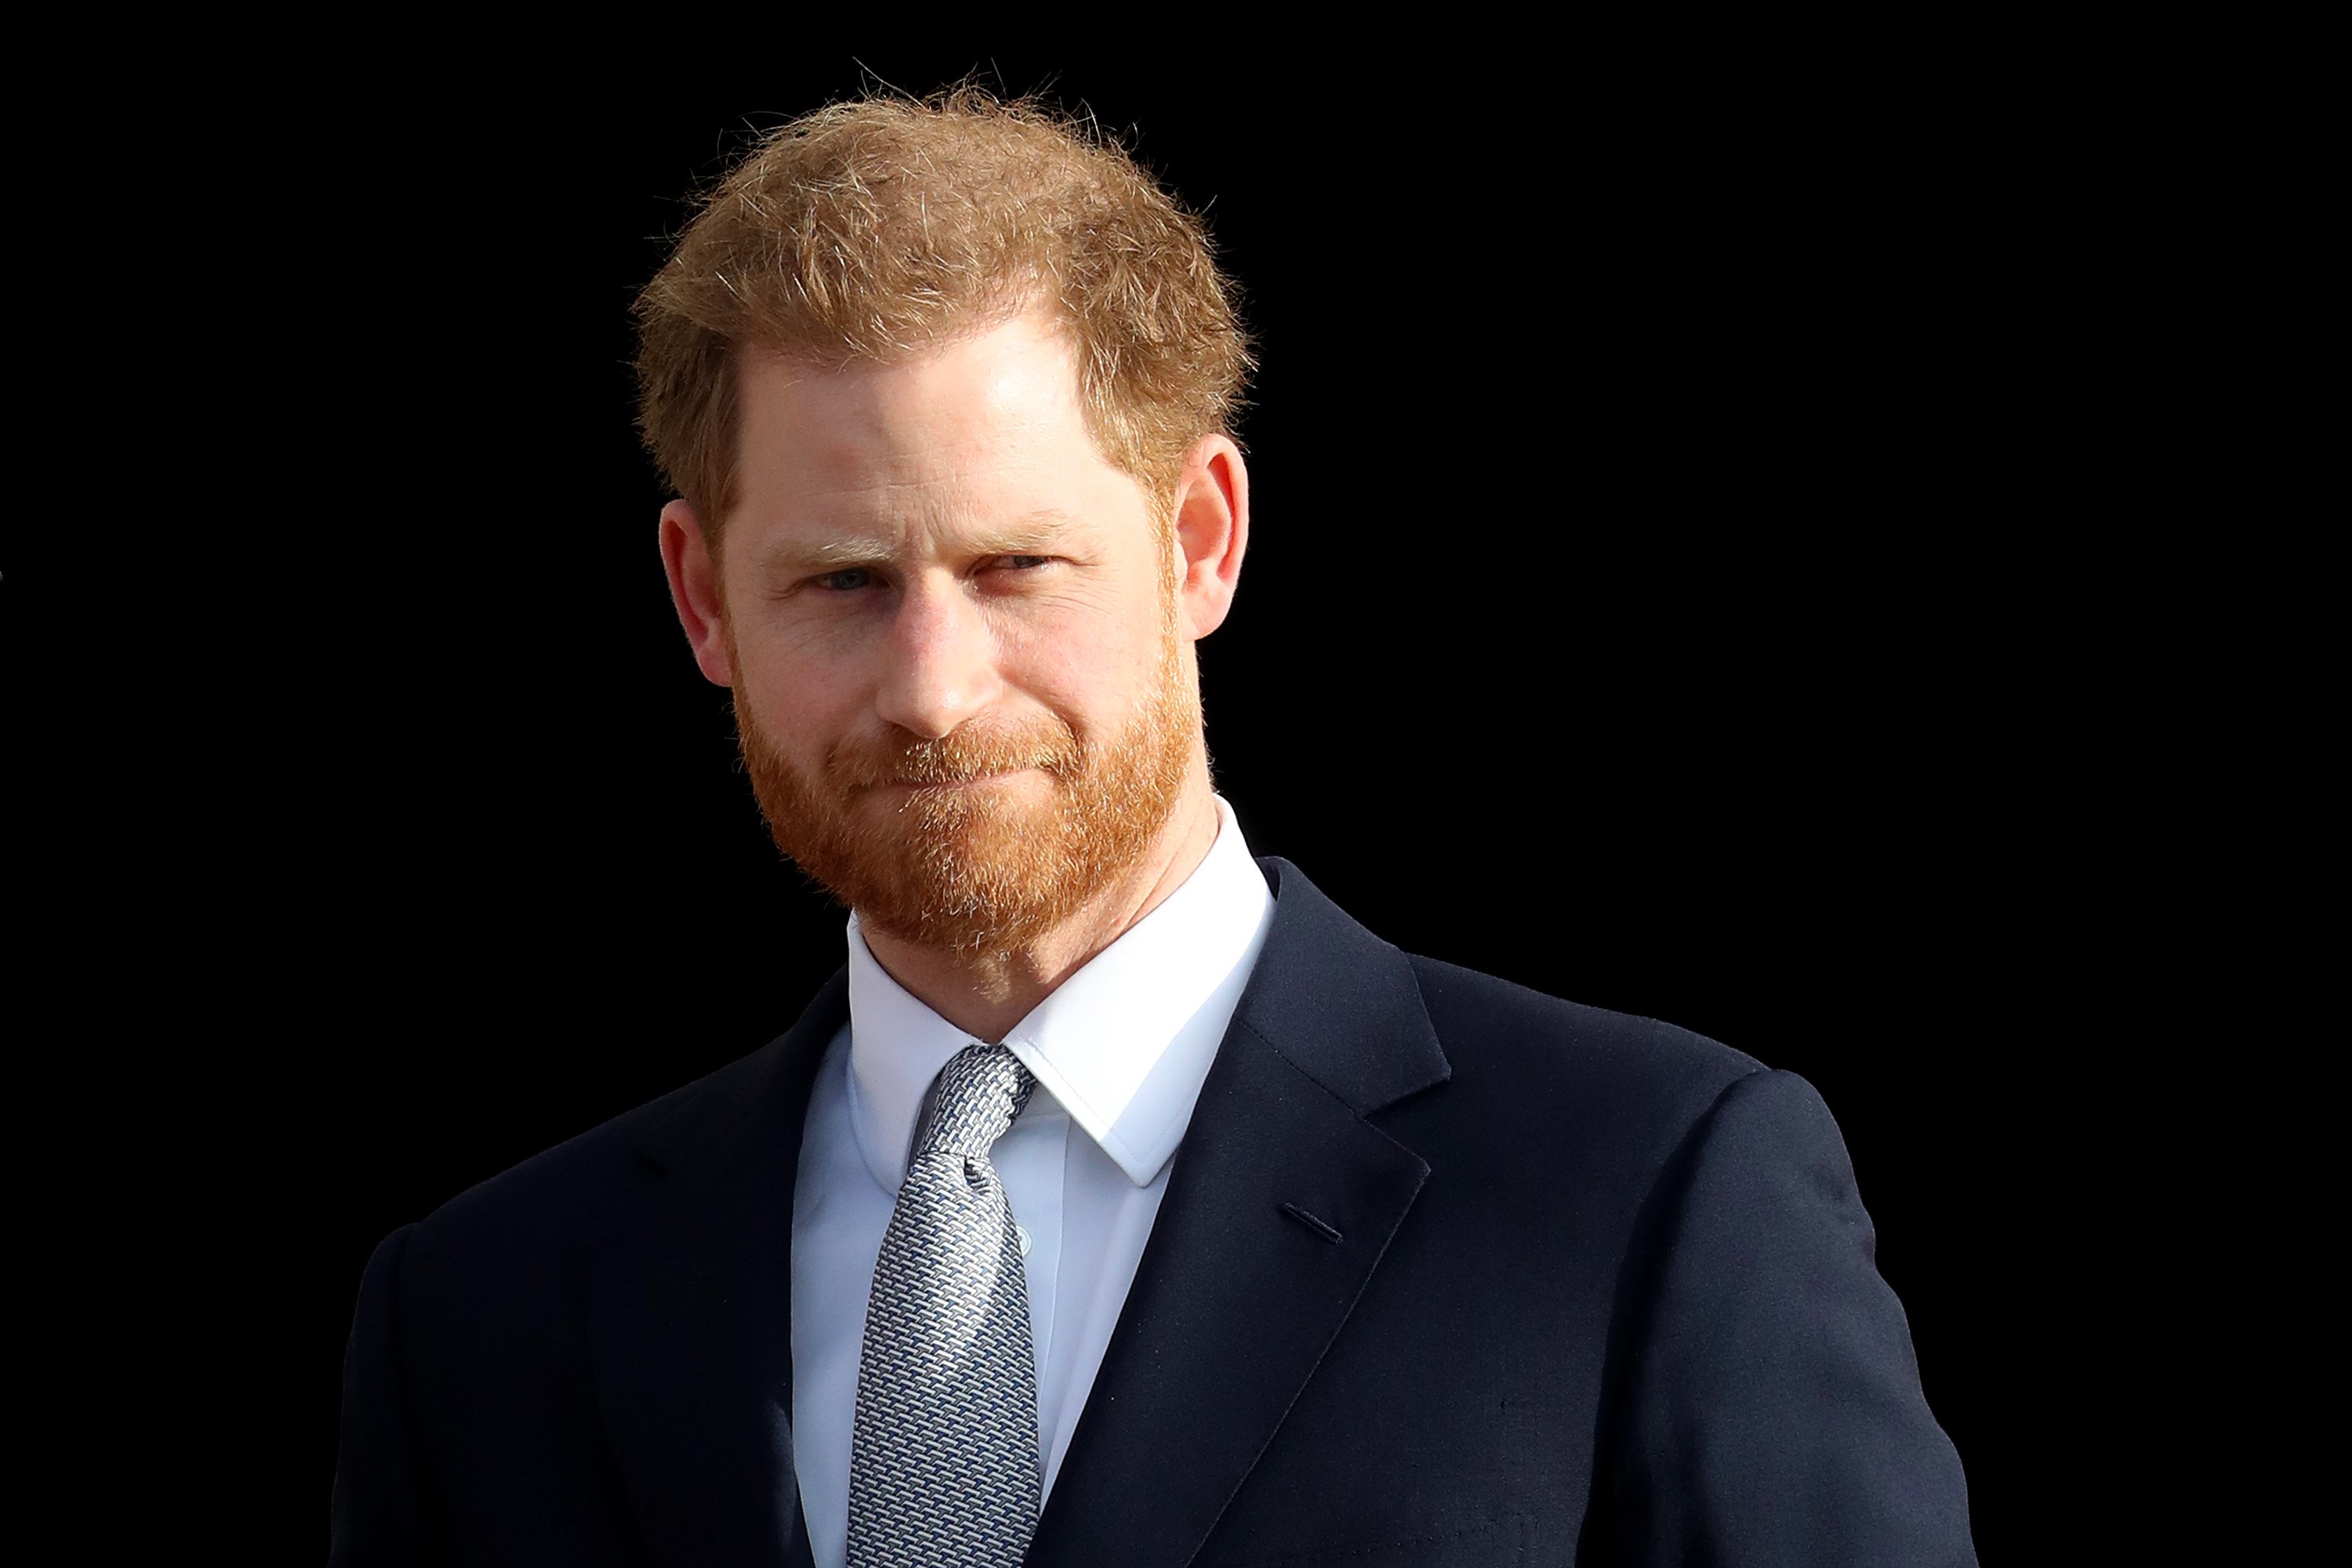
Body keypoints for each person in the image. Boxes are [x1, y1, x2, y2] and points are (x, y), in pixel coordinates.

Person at [331, 91, 1976, 1566]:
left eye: (1013, 568)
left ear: (1200, 539)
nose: (934, 687)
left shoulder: (1641, 1197)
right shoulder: (485, 1315)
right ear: (703, 599)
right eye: (844, 583)